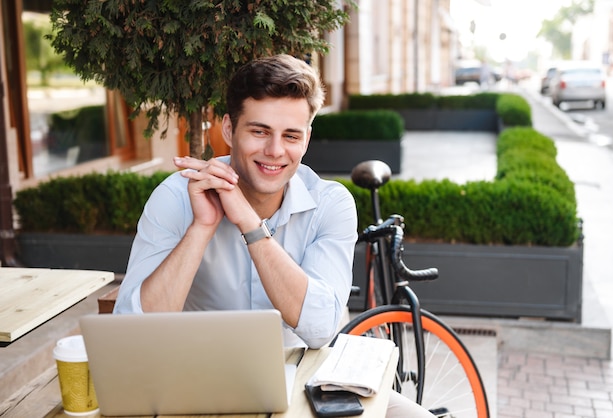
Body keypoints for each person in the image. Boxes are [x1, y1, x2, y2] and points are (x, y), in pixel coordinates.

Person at [113, 54, 435, 418]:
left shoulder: (330, 204)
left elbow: (318, 329)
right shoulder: (176, 197)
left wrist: (250, 224)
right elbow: (133, 332)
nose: (275, 151)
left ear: (307, 139)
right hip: (201, 389)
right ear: (228, 129)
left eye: (291, 135)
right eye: (259, 131)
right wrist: (201, 227)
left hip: (308, 385)